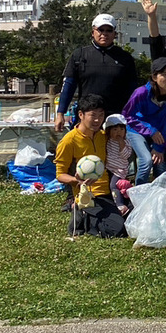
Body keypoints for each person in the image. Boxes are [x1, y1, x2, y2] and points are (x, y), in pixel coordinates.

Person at [54, 94, 126, 238]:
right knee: (117, 230)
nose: (97, 120)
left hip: (111, 191)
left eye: (101, 115)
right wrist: (77, 181)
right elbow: (60, 175)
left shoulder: (104, 136)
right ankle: (82, 214)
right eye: (93, 115)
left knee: (136, 215)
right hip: (89, 195)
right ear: (81, 115)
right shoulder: (69, 141)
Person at [56, 13, 138, 131]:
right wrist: (60, 113)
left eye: (109, 30)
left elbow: (133, 91)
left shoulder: (125, 58)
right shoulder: (79, 55)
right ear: (93, 32)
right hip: (86, 117)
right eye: (100, 30)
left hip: (116, 120)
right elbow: (68, 86)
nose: (104, 34)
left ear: (115, 34)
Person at [122, 57, 166, 184]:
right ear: (155, 77)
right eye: (165, 74)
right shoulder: (141, 93)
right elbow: (127, 116)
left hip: (160, 133)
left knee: (159, 162)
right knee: (146, 161)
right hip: (137, 130)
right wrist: (150, 130)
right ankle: (139, 193)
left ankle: (162, 194)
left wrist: (159, 147)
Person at [103, 114, 133, 215]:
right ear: (109, 131)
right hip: (108, 168)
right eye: (115, 129)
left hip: (119, 170)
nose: (119, 132)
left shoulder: (126, 142)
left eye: (121, 129)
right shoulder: (108, 140)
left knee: (114, 185)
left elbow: (126, 155)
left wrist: (121, 144)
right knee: (109, 185)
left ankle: (120, 205)